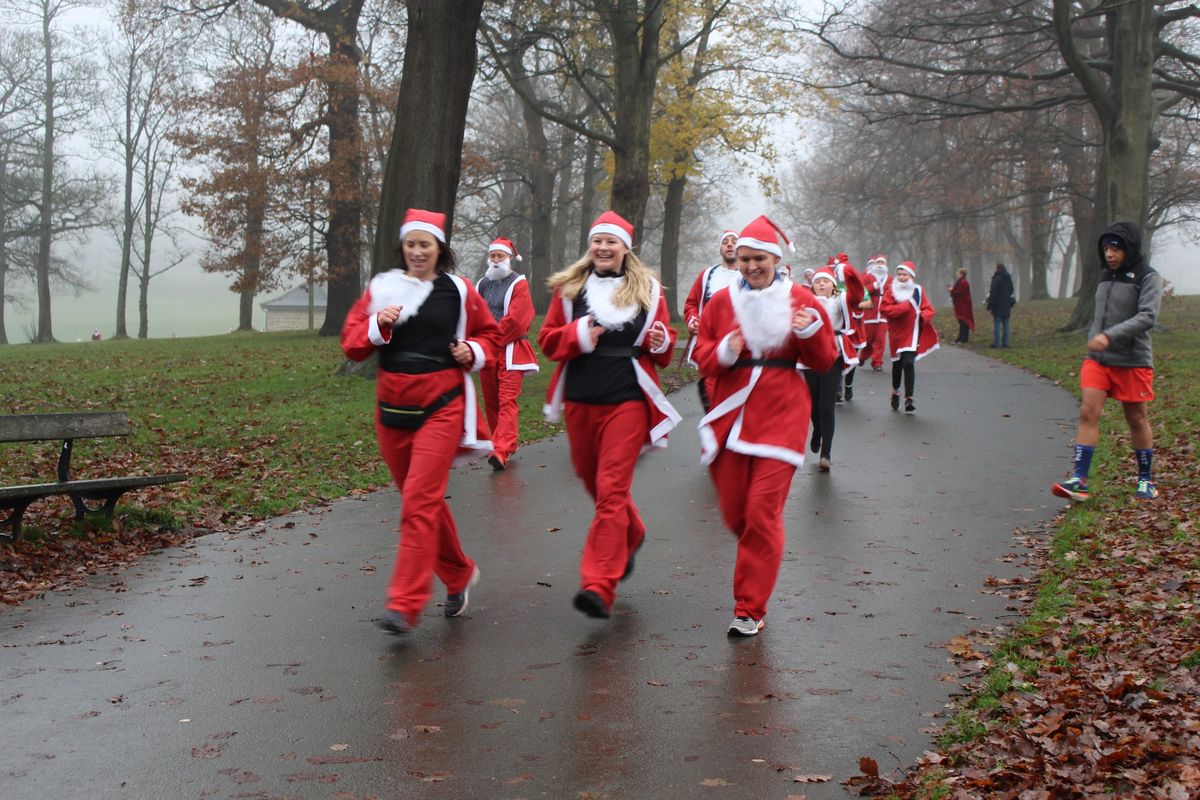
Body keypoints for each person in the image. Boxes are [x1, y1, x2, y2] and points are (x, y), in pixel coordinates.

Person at [340, 209, 501, 635]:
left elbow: (491, 337)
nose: (416, 251)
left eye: (424, 244)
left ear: (439, 250)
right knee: (421, 501)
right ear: (403, 248)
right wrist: (377, 324)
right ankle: (460, 573)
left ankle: (404, 604)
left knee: (418, 502)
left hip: (441, 404)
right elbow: (352, 344)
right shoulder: (382, 287)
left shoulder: (460, 290)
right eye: (410, 244)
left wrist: (473, 350)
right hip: (392, 409)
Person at [693, 215, 836, 637]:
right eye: (743, 259)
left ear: (775, 259)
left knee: (761, 513)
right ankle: (761, 551)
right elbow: (701, 357)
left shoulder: (801, 298)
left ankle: (749, 608)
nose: (751, 266)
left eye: (759, 258)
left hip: (781, 412)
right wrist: (722, 350)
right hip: (731, 413)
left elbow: (824, 361)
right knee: (738, 512)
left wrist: (810, 331)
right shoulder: (720, 303)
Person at [539, 210, 681, 620]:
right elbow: (548, 342)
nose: (603, 247)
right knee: (593, 482)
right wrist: (578, 335)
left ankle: (599, 584)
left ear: (624, 248)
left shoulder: (649, 290)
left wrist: (658, 340)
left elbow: (666, 349)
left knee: (612, 489)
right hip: (581, 399)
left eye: (611, 241)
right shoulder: (569, 288)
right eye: (597, 240)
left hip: (628, 399)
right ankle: (632, 533)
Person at [1052, 221, 1164, 503]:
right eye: (1106, 249)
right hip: (1098, 361)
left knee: (1136, 419)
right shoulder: (1104, 276)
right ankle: (1080, 480)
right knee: (1088, 413)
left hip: (1132, 360)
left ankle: (1146, 480)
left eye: (1116, 248)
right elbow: (1098, 316)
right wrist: (1096, 340)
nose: (1110, 254)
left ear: (1130, 248)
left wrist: (1109, 337)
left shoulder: (1147, 277)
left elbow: (1147, 317)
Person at [475, 236, 539, 470]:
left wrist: (489, 337)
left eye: (499, 256)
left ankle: (501, 449)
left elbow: (518, 320)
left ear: (509, 258)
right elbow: (473, 314)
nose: (495, 260)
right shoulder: (481, 284)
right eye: (492, 256)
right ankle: (502, 444)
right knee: (491, 401)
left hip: (511, 350)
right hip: (487, 351)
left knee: (506, 400)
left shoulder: (519, 283)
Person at [805, 266, 859, 471]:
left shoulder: (840, 301)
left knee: (827, 404)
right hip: (809, 355)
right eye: (817, 281)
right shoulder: (805, 302)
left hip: (833, 354)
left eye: (825, 281)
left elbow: (856, 292)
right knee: (813, 404)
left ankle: (825, 453)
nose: (821, 284)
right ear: (812, 286)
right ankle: (817, 429)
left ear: (833, 286)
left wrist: (847, 272)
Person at [683, 229, 742, 411]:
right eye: (725, 242)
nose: (730, 244)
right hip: (708, 346)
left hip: (739, 349)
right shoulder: (707, 275)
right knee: (711, 402)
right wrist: (693, 320)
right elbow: (691, 303)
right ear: (720, 248)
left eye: (734, 241)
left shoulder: (747, 276)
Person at [880, 260, 939, 413]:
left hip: (912, 332)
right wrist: (904, 307)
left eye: (904, 274)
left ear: (911, 276)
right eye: (899, 274)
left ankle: (909, 398)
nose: (901, 277)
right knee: (897, 365)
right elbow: (885, 309)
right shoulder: (890, 291)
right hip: (896, 333)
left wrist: (923, 316)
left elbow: (928, 308)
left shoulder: (918, 291)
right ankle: (895, 390)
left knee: (908, 362)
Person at [860, 255, 890, 371]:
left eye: (882, 262)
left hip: (884, 313)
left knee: (880, 339)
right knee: (869, 338)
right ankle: (863, 356)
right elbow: (861, 291)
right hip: (870, 312)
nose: (880, 264)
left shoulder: (891, 279)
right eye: (878, 262)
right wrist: (874, 286)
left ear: (886, 265)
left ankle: (877, 363)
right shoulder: (868, 277)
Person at [985, 262, 1015, 348]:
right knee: (1006, 323)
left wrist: (990, 305)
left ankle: (996, 343)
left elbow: (993, 293)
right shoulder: (1008, 278)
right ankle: (1005, 343)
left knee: (997, 323)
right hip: (1006, 304)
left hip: (998, 304)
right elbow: (1011, 290)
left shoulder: (996, 278)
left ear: (997, 269)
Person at [947, 267, 975, 344]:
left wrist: (952, 290)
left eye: (957, 273)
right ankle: (961, 337)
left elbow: (960, 293)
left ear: (961, 274)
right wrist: (952, 290)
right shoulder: (961, 282)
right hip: (961, 304)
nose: (956, 274)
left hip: (963, 304)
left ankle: (963, 338)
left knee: (963, 321)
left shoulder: (963, 282)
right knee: (961, 321)